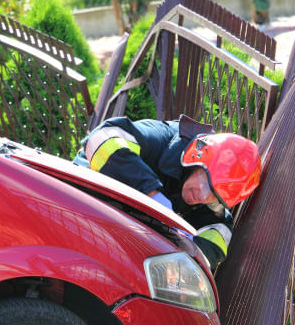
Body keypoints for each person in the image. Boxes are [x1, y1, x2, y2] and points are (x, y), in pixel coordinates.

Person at [74, 115, 261, 272]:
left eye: (215, 199)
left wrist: (183, 254)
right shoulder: (162, 139)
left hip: (119, 241)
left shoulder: (212, 209)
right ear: (196, 159)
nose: (202, 197)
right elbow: (102, 139)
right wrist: (150, 193)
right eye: (205, 185)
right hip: (79, 201)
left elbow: (215, 241)